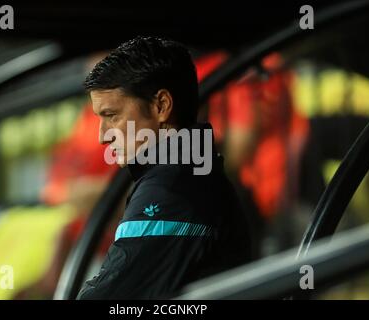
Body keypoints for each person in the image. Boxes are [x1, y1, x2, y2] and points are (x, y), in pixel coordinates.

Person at [77, 36, 252, 299]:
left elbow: (108, 297)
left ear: (161, 106)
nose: (102, 136)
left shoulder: (173, 187)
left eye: (111, 116)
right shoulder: (186, 172)